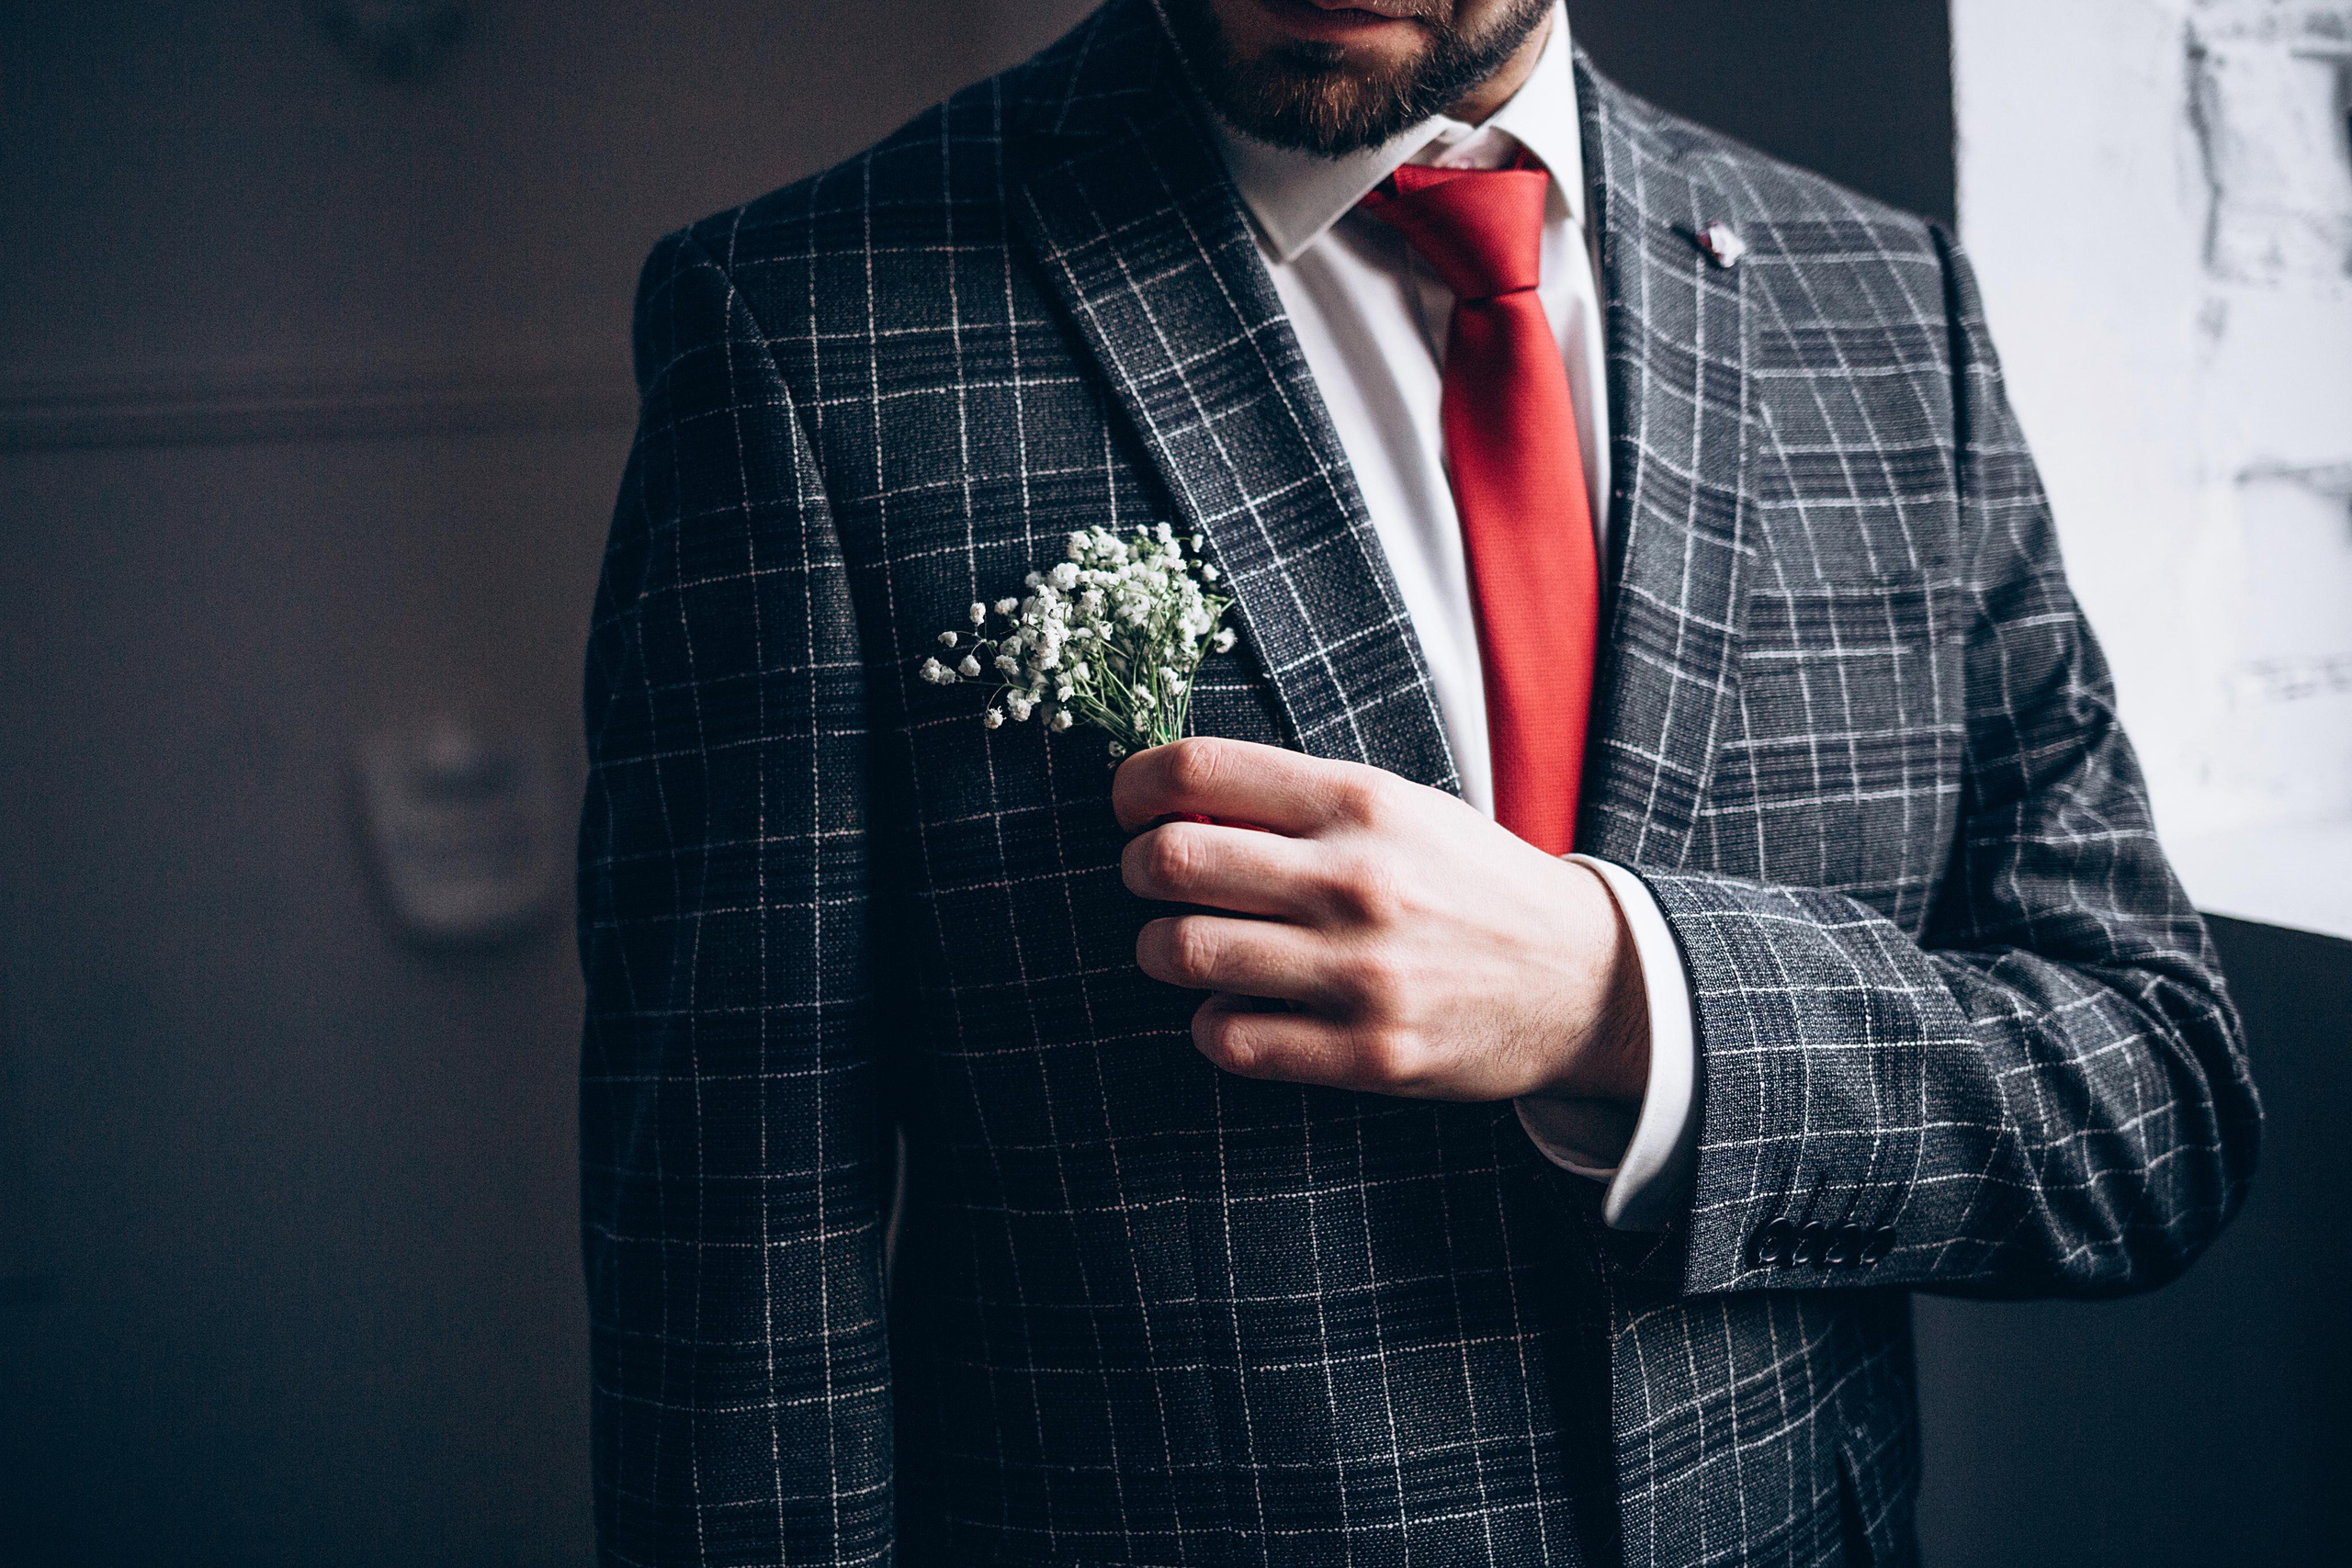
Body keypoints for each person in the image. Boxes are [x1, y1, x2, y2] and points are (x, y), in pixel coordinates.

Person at [577, 0, 2261, 1562]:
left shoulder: (1889, 305)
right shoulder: (806, 330)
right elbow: (741, 1321)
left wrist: (1626, 1003)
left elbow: (2155, 1097)